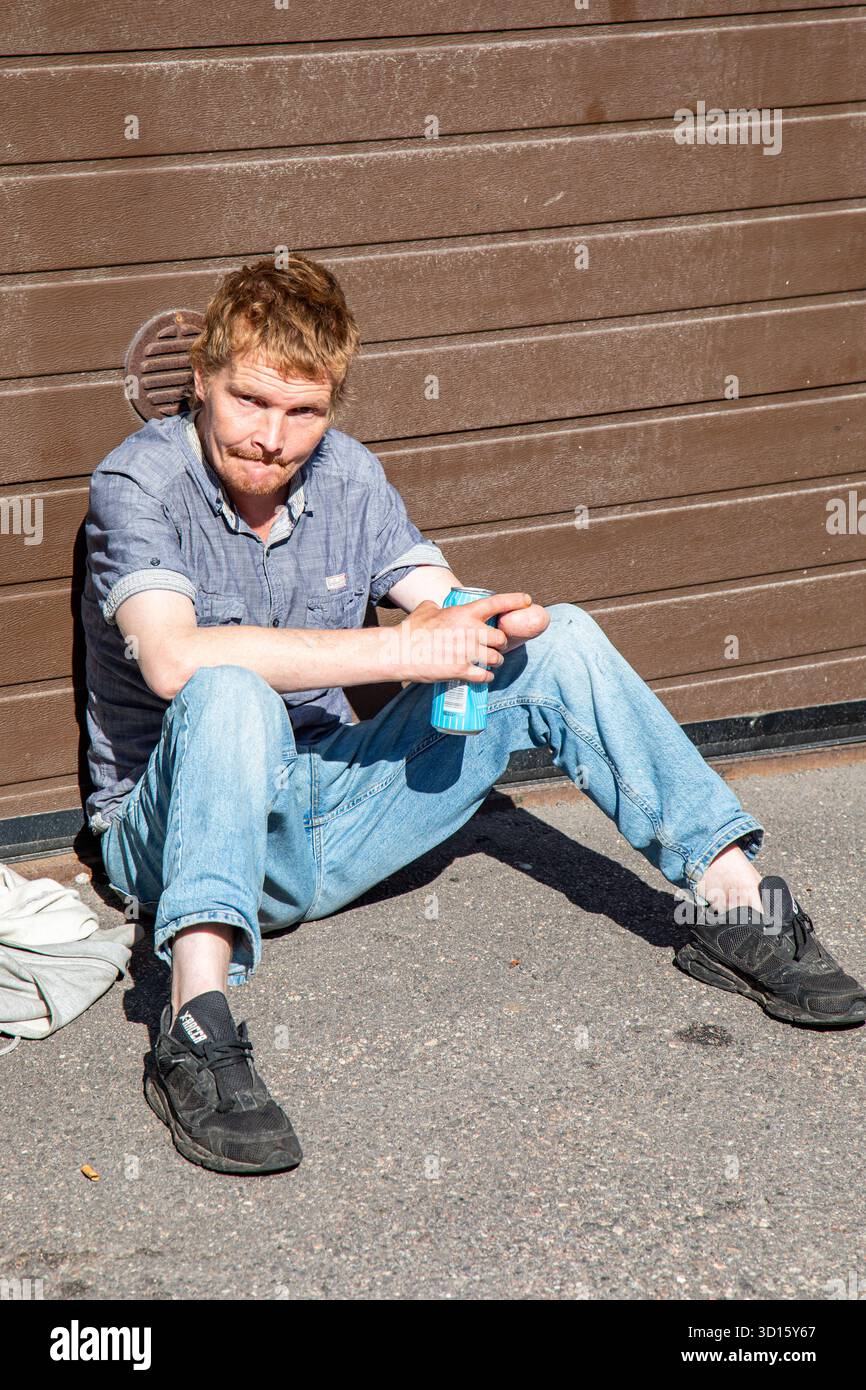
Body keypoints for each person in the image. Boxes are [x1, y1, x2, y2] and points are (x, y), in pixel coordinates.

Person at [81, 256, 866, 1176]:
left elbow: (436, 596)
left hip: (326, 815)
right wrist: (406, 651)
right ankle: (196, 1026)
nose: (274, 439)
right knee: (227, 688)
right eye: (250, 403)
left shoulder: (347, 474)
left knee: (560, 640)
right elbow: (173, 658)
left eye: (305, 413)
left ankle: (734, 905)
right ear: (203, 381)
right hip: (169, 835)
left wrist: (487, 616)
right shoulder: (137, 484)